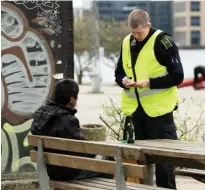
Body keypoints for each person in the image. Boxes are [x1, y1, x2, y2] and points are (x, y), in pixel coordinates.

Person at [114, 9, 184, 189]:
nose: (136, 36)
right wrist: (124, 81)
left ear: (149, 26)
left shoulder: (163, 42)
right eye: (133, 32)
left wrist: (149, 83)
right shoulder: (126, 43)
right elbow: (118, 72)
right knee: (139, 166)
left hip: (159, 113)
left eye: (139, 32)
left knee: (164, 165)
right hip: (135, 113)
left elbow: (178, 76)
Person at [31, 79, 113, 181]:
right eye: (76, 96)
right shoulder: (67, 120)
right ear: (71, 99)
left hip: (50, 171)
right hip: (68, 173)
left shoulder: (40, 115)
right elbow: (83, 150)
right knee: (110, 163)